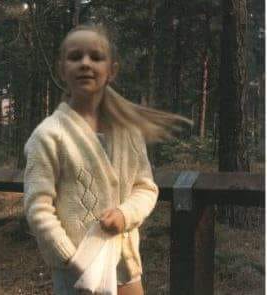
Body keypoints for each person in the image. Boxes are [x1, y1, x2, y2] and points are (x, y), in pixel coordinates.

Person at [23, 24, 190, 295]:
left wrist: (126, 215)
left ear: (112, 70)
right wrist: (72, 259)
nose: (85, 63)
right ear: (61, 69)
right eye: (75, 57)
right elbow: (37, 207)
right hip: (77, 278)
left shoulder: (128, 131)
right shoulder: (49, 135)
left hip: (127, 271)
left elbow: (145, 187)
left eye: (96, 57)